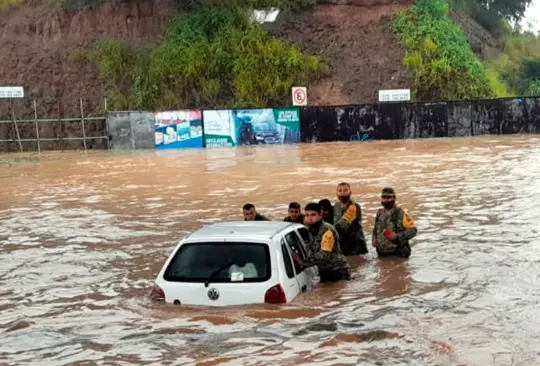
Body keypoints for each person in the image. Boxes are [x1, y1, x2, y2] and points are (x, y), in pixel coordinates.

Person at [302, 202, 350, 282]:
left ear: (320, 216)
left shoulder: (327, 230)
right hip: (324, 271)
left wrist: (304, 262)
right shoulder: (310, 230)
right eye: (307, 215)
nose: (309, 218)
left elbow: (324, 255)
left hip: (338, 271)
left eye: (313, 215)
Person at [372, 187, 417, 258]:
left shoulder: (401, 213)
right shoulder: (379, 213)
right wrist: (374, 238)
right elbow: (375, 228)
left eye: (389, 197)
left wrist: (397, 236)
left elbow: (413, 230)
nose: (386, 200)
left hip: (398, 253)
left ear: (394, 198)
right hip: (382, 253)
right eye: (384, 197)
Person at [333, 182, 368, 255]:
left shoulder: (354, 206)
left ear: (350, 192)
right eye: (340, 191)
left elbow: (343, 224)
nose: (342, 193)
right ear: (336, 193)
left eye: (345, 190)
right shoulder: (336, 206)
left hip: (355, 243)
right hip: (342, 241)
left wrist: (330, 230)